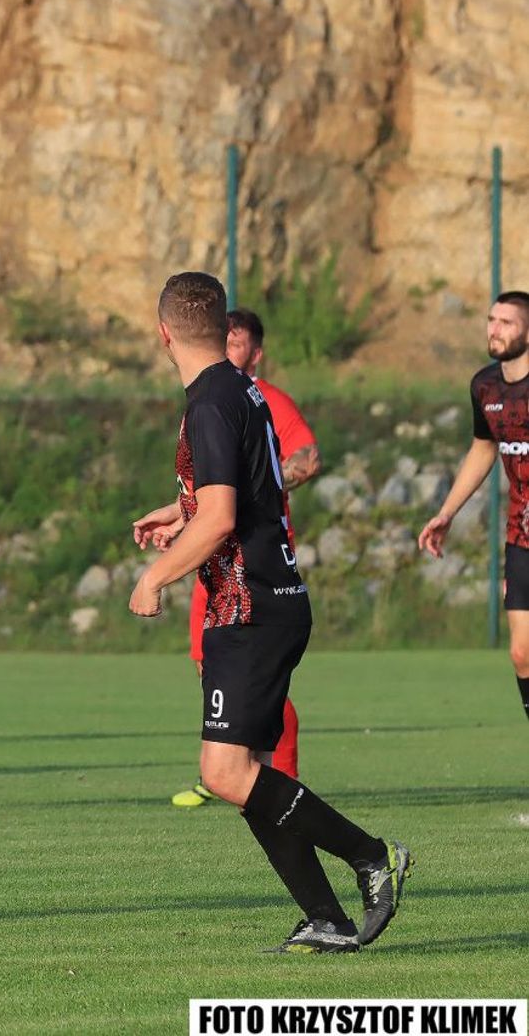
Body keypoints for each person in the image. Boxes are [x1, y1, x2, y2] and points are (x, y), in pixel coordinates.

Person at [130, 272, 409, 953]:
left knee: (224, 773)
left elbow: (223, 517)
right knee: (246, 775)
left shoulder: (210, 401)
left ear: (163, 333)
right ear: (220, 326)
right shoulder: (242, 389)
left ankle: (373, 856)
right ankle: (325, 917)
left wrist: (155, 576)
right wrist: (181, 511)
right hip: (267, 598)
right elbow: (245, 489)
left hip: (249, 605)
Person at [171, 309, 322, 808]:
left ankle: (280, 775)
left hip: (253, 564)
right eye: (225, 340)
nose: (228, 351)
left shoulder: (258, 398)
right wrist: (180, 513)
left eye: (237, 344)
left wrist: (261, 488)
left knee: (258, 680)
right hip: (214, 562)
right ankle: (228, 768)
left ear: (255, 353)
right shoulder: (216, 397)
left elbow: (308, 457)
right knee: (208, 666)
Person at [419, 290, 529, 726]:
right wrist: (447, 512)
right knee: (521, 653)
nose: (494, 329)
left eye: (506, 322)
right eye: (491, 320)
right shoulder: (485, 386)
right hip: (521, 536)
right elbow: (484, 448)